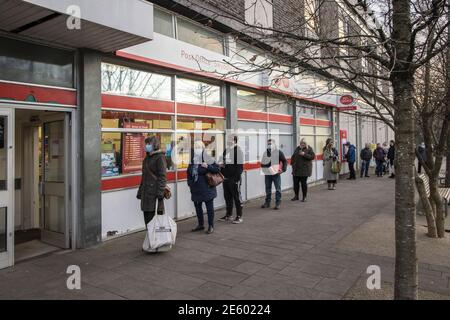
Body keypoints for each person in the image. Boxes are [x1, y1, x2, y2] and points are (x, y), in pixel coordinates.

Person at [187, 140, 220, 234]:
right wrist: (189, 183)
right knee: (198, 207)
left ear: (202, 148)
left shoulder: (207, 157)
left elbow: (217, 169)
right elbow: (188, 172)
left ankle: (211, 226)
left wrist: (208, 166)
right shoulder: (192, 159)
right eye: (195, 147)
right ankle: (200, 224)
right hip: (195, 188)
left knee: (209, 208)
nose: (197, 149)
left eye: (199, 147)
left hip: (207, 188)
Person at [137, 136, 167, 228]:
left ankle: (154, 238)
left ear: (155, 145)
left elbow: (162, 177)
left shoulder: (160, 157)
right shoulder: (147, 158)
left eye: (149, 144)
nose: (146, 146)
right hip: (146, 192)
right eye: (146, 144)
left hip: (154, 193)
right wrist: (140, 191)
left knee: (153, 219)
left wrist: (160, 193)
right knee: (147, 218)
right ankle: (151, 237)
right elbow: (144, 176)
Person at [219, 135, 244, 223]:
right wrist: (221, 166)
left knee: (236, 197)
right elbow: (222, 161)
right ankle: (229, 215)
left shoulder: (238, 151)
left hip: (234, 179)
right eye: (228, 139)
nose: (229, 141)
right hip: (225, 178)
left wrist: (236, 179)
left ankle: (239, 216)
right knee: (227, 197)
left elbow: (240, 167)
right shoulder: (226, 150)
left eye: (231, 139)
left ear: (235, 141)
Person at [261, 139, 287, 210]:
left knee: (278, 189)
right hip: (267, 174)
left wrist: (283, 169)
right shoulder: (265, 153)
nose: (269, 145)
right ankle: (267, 203)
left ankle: (278, 203)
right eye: (268, 144)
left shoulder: (279, 152)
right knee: (268, 188)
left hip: (276, 174)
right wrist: (264, 168)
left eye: (270, 143)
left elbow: (284, 161)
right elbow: (262, 163)